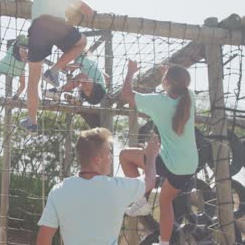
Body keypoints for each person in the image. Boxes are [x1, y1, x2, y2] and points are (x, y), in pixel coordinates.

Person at [36, 127, 160, 245]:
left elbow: (43, 239)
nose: (111, 157)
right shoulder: (118, 188)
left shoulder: (59, 191)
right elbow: (149, 181)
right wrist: (151, 156)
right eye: (108, 153)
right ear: (97, 160)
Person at [119, 61, 198, 245]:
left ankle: (141, 200)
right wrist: (168, 74)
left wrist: (130, 72)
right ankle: (164, 243)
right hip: (189, 165)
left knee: (124, 156)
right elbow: (179, 89)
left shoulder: (158, 103)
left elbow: (126, 94)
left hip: (171, 162)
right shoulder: (190, 97)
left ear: (167, 82)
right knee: (165, 200)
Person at [12, 0, 94, 133]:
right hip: (58, 26)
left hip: (38, 27)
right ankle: (54, 70)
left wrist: (33, 3)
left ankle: (32, 120)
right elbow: (87, 10)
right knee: (82, 42)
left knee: (33, 80)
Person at [43, 53, 108, 105]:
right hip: (100, 89)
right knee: (82, 83)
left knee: (80, 80)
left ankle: (58, 92)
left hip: (99, 89)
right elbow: (106, 77)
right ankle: (79, 99)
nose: (85, 87)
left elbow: (78, 73)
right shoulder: (88, 61)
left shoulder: (84, 60)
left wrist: (61, 64)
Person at [0, 35, 28, 101]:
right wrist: (16, 96)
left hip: (10, 62)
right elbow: (23, 86)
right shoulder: (19, 69)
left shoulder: (3, 66)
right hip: (14, 62)